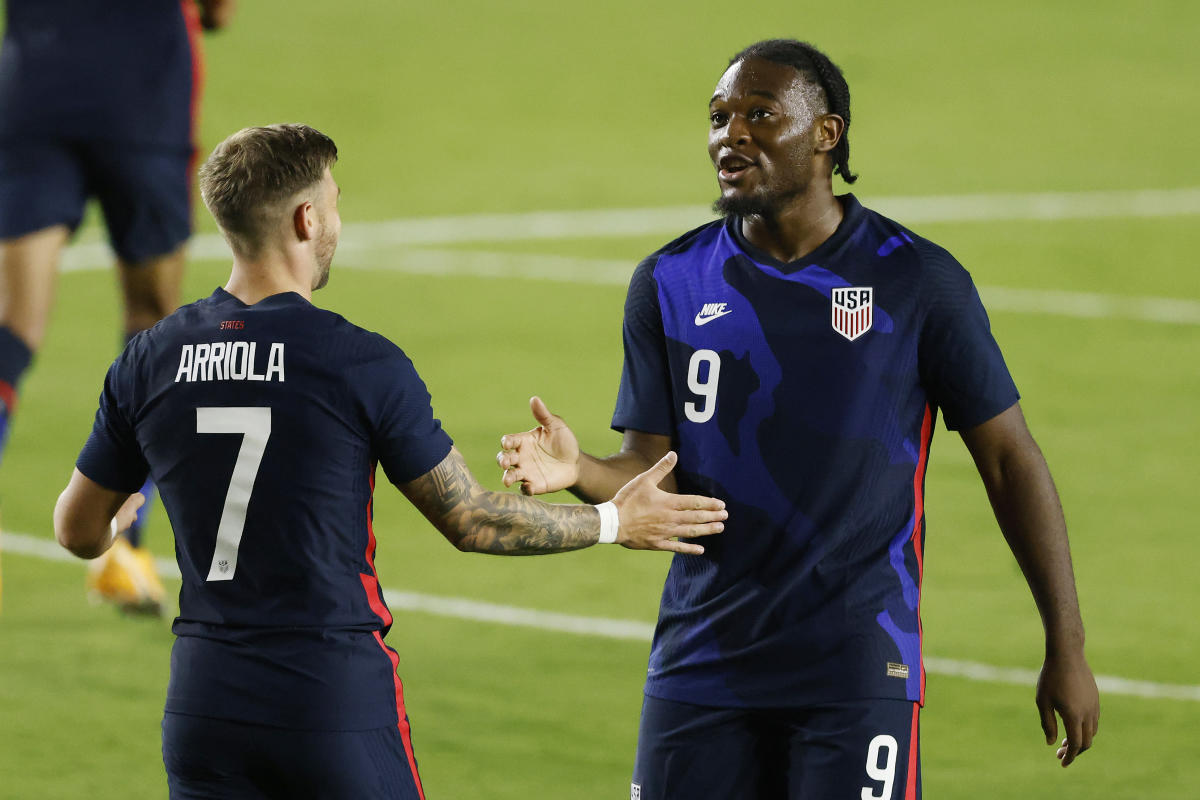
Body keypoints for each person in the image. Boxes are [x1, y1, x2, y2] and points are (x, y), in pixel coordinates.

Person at [496, 38, 1100, 799]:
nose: (730, 134)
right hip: (700, 662)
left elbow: (1010, 460)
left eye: (760, 114)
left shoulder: (914, 278)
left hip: (855, 666)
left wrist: (1066, 646)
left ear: (826, 134)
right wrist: (578, 470)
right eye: (718, 117)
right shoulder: (669, 281)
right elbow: (649, 473)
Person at [52, 123, 726, 799]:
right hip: (330, 700)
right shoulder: (357, 361)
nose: (337, 222)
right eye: (334, 203)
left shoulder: (148, 360)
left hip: (203, 704)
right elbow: (471, 519)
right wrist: (614, 521)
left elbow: (75, 529)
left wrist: (116, 526)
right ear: (305, 217)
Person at [0, 0, 236, 614]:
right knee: (153, 325)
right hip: (142, 93)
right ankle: (122, 551)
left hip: (37, 81)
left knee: (12, 325)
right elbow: (219, 12)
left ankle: (121, 553)